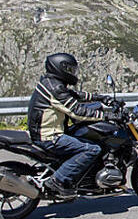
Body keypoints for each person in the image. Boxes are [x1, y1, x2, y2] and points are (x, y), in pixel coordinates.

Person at [27, 52, 120, 197]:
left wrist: (100, 97)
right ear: (61, 68)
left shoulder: (52, 83)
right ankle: (57, 181)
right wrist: (106, 115)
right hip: (50, 137)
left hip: (46, 132)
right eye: (70, 70)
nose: (72, 73)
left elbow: (74, 95)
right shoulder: (55, 88)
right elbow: (76, 111)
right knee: (92, 149)